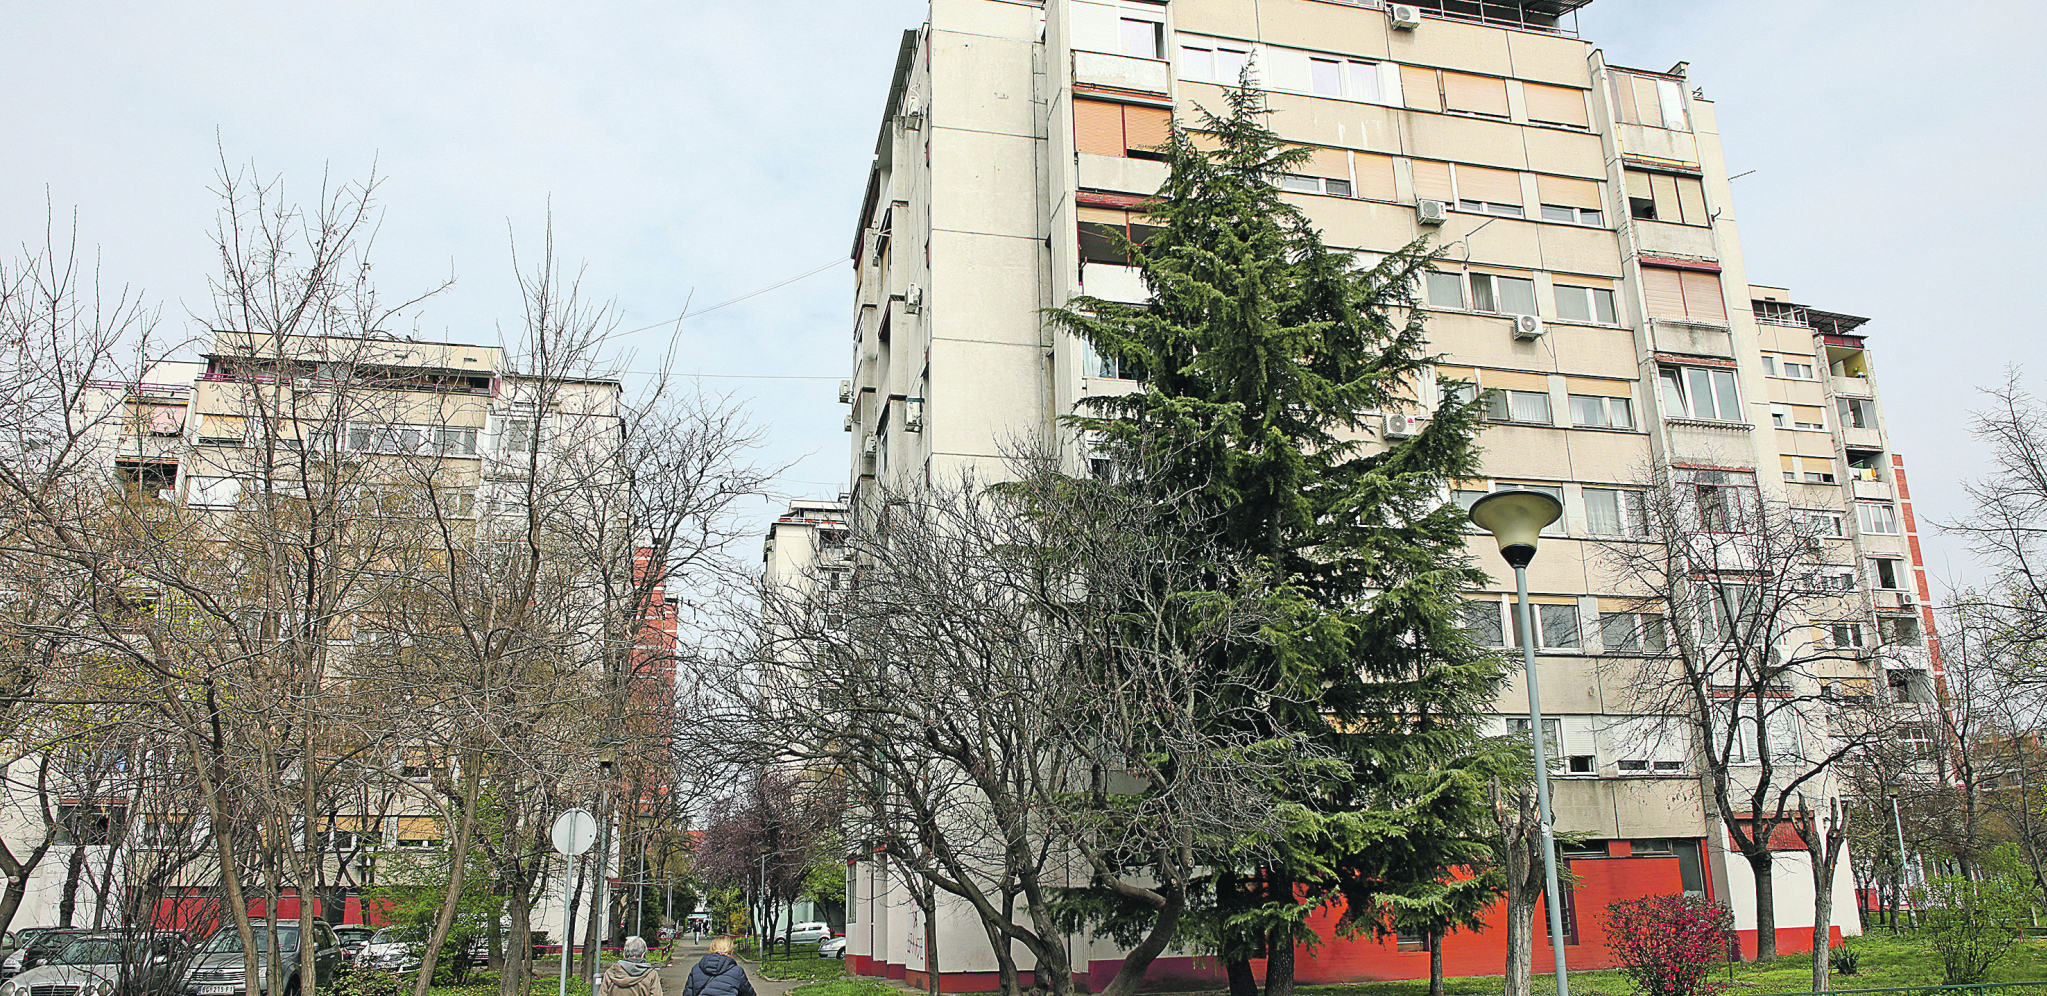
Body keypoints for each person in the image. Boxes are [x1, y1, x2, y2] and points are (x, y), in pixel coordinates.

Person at [680, 937, 756, 996]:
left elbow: (688, 993)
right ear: (731, 951)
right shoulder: (737, 972)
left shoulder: (697, 969)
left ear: (711, 949)